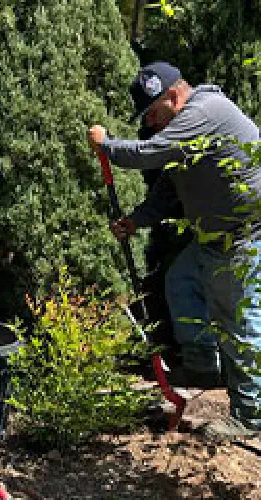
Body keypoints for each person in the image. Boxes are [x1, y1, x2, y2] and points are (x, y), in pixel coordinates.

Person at [87, 61, 261, 440]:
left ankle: (250, 415)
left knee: (239, 323)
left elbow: (148, 153)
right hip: (212, 240)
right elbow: (169, 187)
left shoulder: (205, 111)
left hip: (244, 239)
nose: (149, 122)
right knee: (181, 282)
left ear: (172, 94)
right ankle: (202, 369)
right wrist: (136, 220)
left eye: (151, 113)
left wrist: (106, 145)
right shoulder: (185, 129)